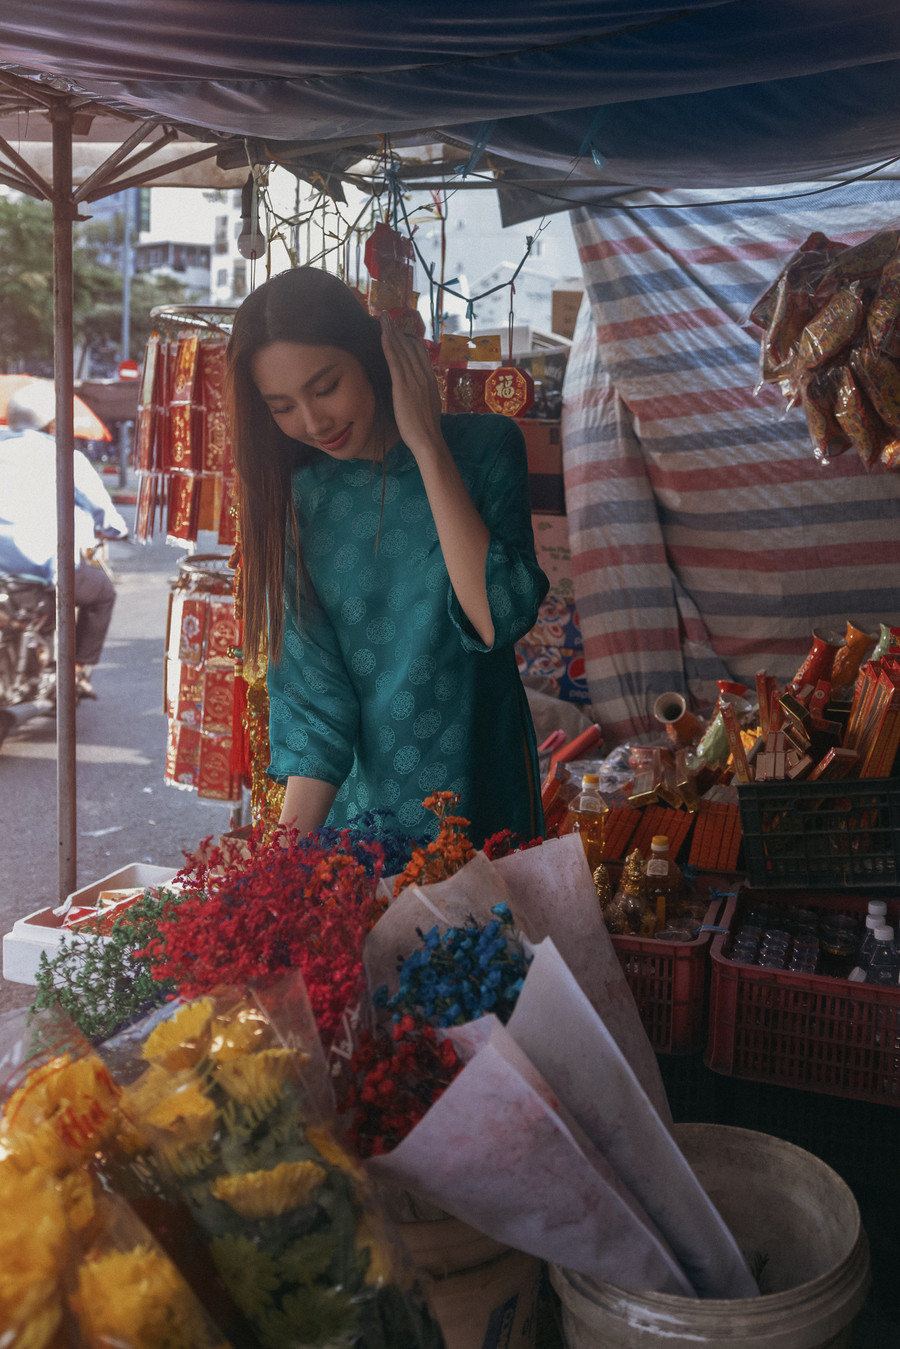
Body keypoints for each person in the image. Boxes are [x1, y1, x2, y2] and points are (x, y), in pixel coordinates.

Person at [227, 266, 549, 846]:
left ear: (373, 355)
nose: (312, 421)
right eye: (282, 406)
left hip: (486, 791)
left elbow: (496, 617)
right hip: (367, 819)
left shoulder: (484, 450)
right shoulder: (296, 498)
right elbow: (312, 708)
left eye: (325, 388)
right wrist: (276, 868)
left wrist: (426, 444)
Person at [0, 380, 129, 699]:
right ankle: (76, 670)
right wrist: (114, 530)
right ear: (53, 422)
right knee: (103, 592)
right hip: (45, 572)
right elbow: (107, 516)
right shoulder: (66, 458)